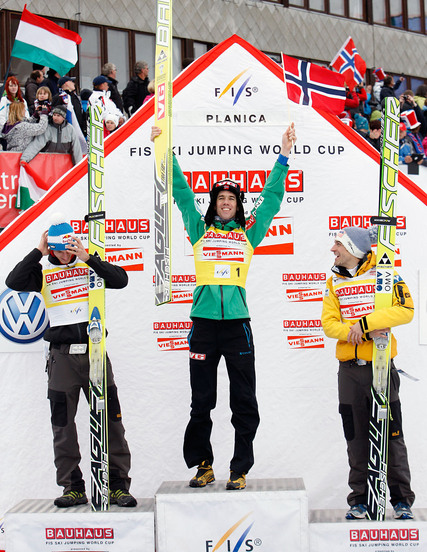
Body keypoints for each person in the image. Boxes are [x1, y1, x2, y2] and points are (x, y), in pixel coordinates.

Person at [151, 122, 297, 491]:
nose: (226, 202)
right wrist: (165, 149)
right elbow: (182, 194)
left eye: (232, 199)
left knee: (244, 400)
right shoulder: (199, 232)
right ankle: (203, 465)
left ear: (238, 206)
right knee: (201, 401)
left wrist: (283, 155)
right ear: (214, 205)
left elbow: (273, 197)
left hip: (237, 326)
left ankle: (239, 468)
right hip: (202, 324)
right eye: (220, 199)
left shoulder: (250, 233)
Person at [5, 218, 137, 508]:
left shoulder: (88, 264)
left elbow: (121, 280)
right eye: (57, 250)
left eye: (67, 248)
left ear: (74, 242)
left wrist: (87, 257)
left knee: (111, 421)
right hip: (62, 357)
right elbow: (13, 281)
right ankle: (72, 487)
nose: (64, 255)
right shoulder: (44, 270)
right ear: (50, 248)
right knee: (62, 424)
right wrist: (37, 251)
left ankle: (117, 486)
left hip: (95, 353)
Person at [321, 226, 415, 520]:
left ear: (353, 249)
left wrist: (364, 323)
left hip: (382, 367)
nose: (333, 249)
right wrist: (360, 332)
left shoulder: (384, 275)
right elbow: (329, 324)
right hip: (349, 371)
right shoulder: (334, 281)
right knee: (355, 436)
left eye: (338, 244)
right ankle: (359, 500)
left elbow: (406, 309)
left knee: (392, 435)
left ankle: (401, 501)